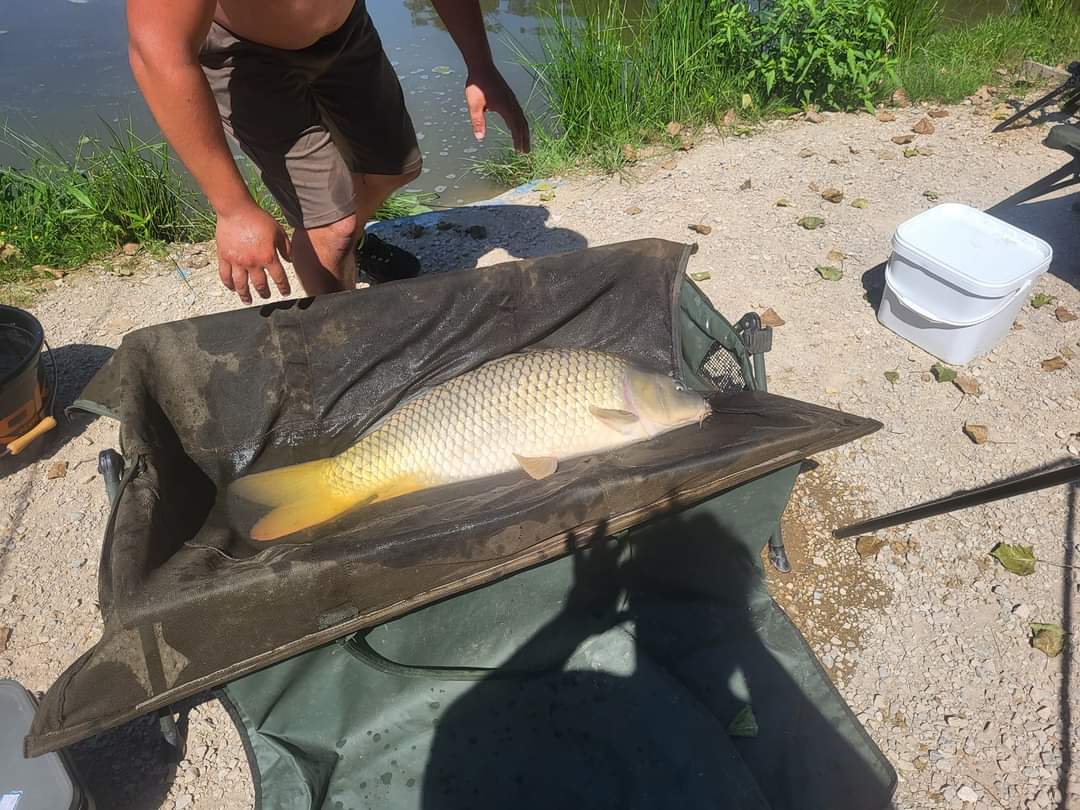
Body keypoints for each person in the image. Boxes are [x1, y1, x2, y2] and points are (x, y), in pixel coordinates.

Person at [126, 0, 530, 304]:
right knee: (332, 231)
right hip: (244, 55)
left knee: (394, 167)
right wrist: (233, 209)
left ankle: (351, 240)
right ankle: (348, 347)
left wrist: (481, 66)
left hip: (344, 29)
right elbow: (157, 52)